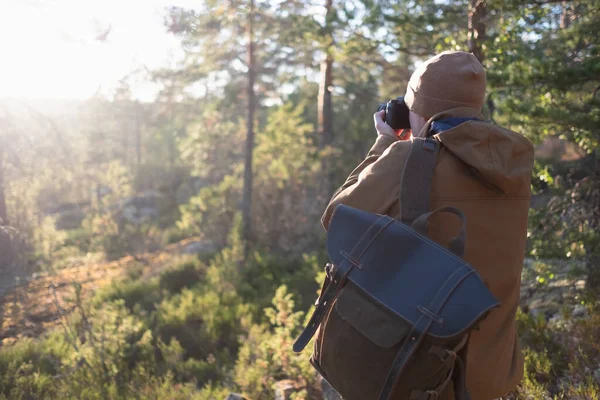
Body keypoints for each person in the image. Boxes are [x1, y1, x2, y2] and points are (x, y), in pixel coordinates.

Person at [320, 51, 534, 400]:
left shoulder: (408, 158)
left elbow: (336, 218)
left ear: (421, 107)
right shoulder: (514, 165)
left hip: (421, 374)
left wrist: (387, 143)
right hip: (491, 372)